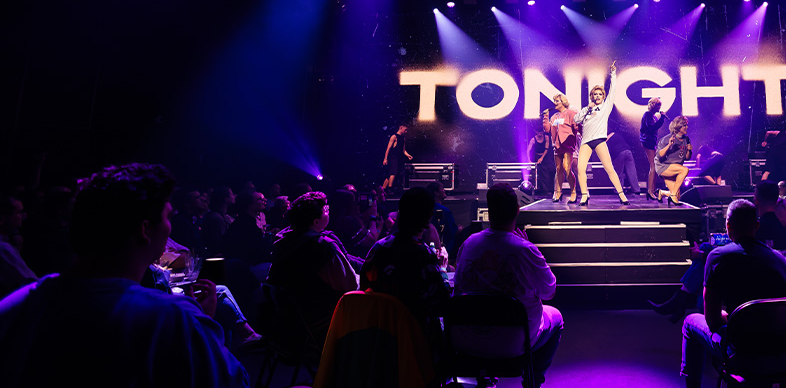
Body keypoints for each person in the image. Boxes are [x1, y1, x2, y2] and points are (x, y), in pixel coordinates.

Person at [0, 163, 248, 387]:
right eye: (167, 217)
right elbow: (232, 383)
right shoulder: (176, 317)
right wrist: (204, 327)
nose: (170, 226)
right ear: (145, 229)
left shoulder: (19, 303)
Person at [455, 184, 562, 388]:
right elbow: (549, 292)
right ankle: (533, 381)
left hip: (467, 338)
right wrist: (531, 250)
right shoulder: (525, 250)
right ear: (517, 210)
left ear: (490, 212)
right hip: (513, 344)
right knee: (555, 317)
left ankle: (484, 377)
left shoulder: (469, 243)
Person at [680, 199, 786, 388]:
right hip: (783, 352)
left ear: (728, 225)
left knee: (691, 322)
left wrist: (729, 317)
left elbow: (712, 321)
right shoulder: (778, 259)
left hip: (742, 349)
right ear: (756, 225)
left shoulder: (718, 257)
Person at [361, 187, 451, 348]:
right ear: (429, 217)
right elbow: (442, 305)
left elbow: (365, 288)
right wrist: (442, 269)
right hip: (415, 343)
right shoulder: (423, 255)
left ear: (399, 212)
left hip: (378, 340)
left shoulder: (379, 248)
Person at [266, 191, 359, 340]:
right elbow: (350, 285)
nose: (329, 211)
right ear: (316, 222)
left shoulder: (285, 240)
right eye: (326, 210)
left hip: (294, 319)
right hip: (323, 317)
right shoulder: (322, 246)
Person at [574, 61, 630, 206]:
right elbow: (576, 119)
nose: (598, 96)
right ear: (592, 96)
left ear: (603, 96)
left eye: (600, 94)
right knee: (581, 168)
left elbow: (613, 91)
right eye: (595, 94)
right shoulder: (588, 108)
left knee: (609, 168)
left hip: (599, 140)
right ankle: (585, 195)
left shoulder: (605, 107)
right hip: (586, 141)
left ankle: (622, 195)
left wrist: (613, 74)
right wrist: (588, 108)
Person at [0, 195, 36, 297]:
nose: (24, 216)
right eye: (19, 212)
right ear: (2, 219)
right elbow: (30, 281)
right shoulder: (3, 249)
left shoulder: (9, 243)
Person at [547, 95, 580, 203]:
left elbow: (576, 127)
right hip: (557, 146)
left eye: (557, 101)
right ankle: (558, 192)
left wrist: (573, 138)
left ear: (563, 102)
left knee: (567, 168)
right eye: (554, 101)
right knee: (558, 169)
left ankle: (573, 192)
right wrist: (545, 117)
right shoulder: (554, 116)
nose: (555, 103)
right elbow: (547, 129)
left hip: (567, 145)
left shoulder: (570, 113)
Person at [656, 116, 692, 206]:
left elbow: (687, 158)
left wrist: (689, 150)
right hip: (663, 166)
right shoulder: (666, 139)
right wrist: (669, 145)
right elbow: (659, 155)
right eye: (684, 125)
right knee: (685, 170)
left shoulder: (686, 139)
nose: (687, 127)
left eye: (686, 125)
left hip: (675, 168)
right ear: (678, 127)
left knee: (677, 196)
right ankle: (672, 195)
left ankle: (662, 193)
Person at [641, 97, 668, 199]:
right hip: (647, 142)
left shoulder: (653, 117)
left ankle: (652, 189)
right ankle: (650, 191)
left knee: (655, 166)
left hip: (652, 142)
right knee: (653, 166)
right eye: (658, 105)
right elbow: (651, 127)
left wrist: (661, 119)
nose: (659, 107)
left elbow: (655, 127)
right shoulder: (647, 115)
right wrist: (662, 118)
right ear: (653, 105)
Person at [606, 130, 641, 195]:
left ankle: (618, 190)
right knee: (632, 172)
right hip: (628, 152)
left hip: (619, 153)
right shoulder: (616, 134)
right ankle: (636, 189)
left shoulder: (606, 139)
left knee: (618, 173)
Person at [528, 117, 555, 196]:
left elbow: (546, 149)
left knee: (546, 173)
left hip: (545, 157)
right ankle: (538, 190)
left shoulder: (546, 138)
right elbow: (528, 150)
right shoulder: (533, 139)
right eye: (538, 132)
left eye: (541, 132)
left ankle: (548, 190)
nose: (540, 134)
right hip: (537, 157)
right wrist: (529, 160)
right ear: (536, 132)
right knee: (537, 173)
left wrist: (542, 158)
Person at [383, 125, 413, 193]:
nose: (406, 131)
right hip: (393, 157)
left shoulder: (403, 138)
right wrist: (385, 158)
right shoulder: (394, 137)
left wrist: (408, 155)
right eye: (405, 130)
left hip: (399, 158)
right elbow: (388, 148)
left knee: (390, 174)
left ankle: (383, 189)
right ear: (401, 128)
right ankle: (390, 188)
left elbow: (403, 150)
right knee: (393, 172)